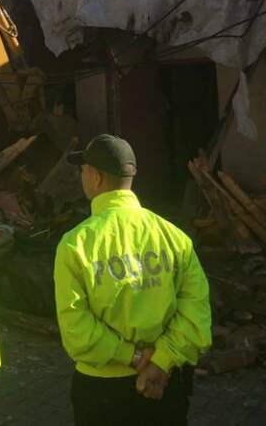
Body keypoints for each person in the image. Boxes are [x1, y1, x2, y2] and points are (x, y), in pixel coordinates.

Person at [55, 134, 211, 426]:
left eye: (83, 170)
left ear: (96, 177)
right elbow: (196, 311)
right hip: (165, 384)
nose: (82, 176)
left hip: (102, 392)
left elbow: (76, 328)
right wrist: (161, 361)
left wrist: (134, 356)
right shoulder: (174, 237)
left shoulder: (75, 244)